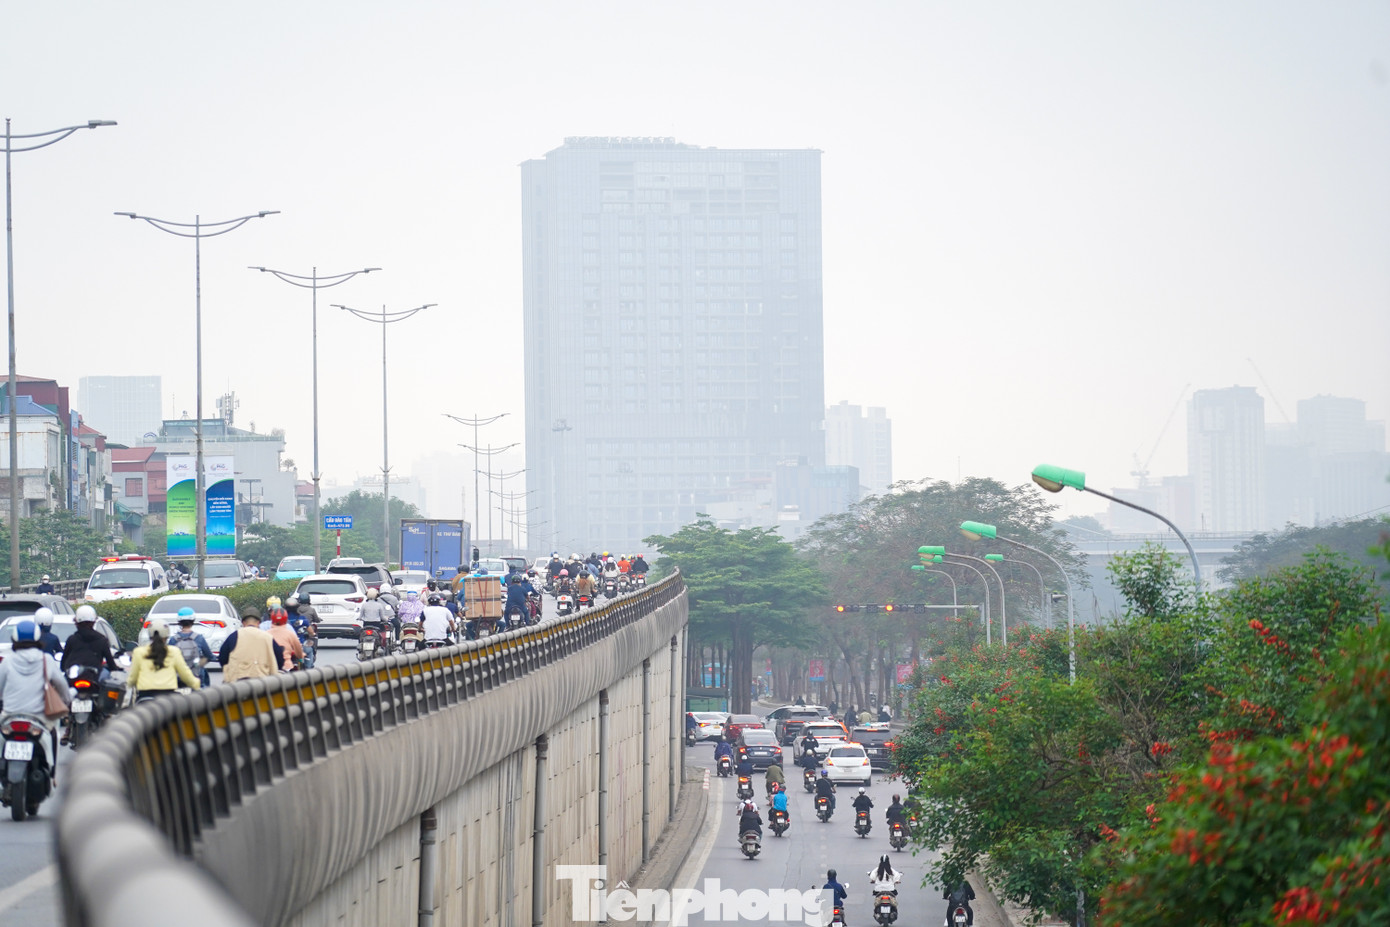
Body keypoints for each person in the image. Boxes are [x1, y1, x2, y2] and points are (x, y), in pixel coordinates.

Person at [0, 619, 69, 765]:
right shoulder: (47, 660)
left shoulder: (7, 661)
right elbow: (62, 685)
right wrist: (67, 700)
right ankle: (52, 771)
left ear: (14, 639)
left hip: (9, 716)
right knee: (54, 733)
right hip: (40, 718)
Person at [127, 618, 201, 701]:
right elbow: (185, 674)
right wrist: (196, 684)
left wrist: (127, 687)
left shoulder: (138, 652)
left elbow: (133, 678)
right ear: (167, 635)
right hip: (168, 701)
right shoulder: (174, 651)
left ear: (149, 634)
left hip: (145, 699)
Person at [219, 607, 284, 683]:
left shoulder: (234, 636)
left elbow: (223, 658)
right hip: (263, 682)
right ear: (259, 623)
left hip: (237, 683)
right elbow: (280, 660)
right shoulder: (268, 637)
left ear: (243, 623)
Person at [61, 606, 121, 680]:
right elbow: (111, 664)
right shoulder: (102, 640)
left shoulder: (72, 639)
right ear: (94, 621)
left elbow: (63, 664)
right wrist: (116, 669)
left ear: (76, 622)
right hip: (95, 677)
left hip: (74, 678)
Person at [169, 608, 214, 687]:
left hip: (178, 678)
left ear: (179, 621)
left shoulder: (173, 640)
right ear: (193, 620)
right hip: (196, 677)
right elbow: (209, 656)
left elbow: (168, 658)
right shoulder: (199, 638)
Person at [266, 606, 304, 671]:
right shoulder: (290, 633)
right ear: (286, 618)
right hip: (286, 666)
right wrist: (301, 656)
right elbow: (298, 652)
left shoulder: (266, 634)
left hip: (269, 667)